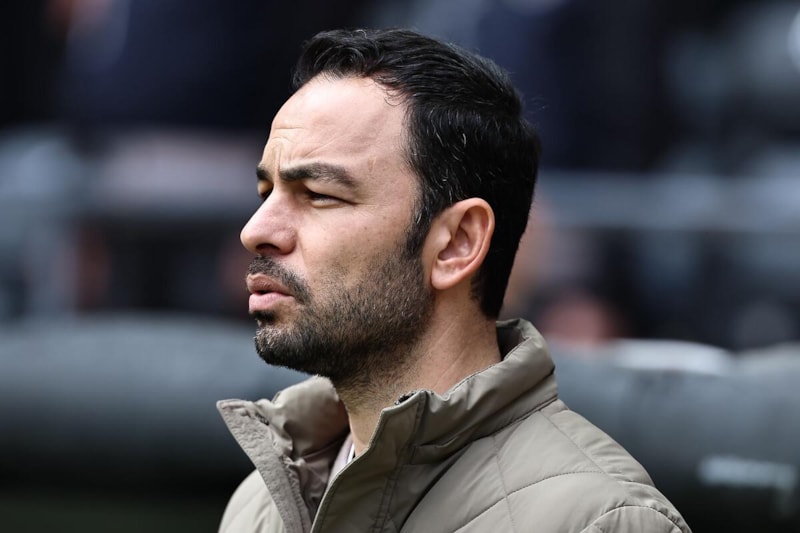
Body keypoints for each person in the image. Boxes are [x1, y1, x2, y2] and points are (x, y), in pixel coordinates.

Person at [217, 28, 691, 532]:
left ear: (457, 243)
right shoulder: (260, 504)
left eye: (318, 194)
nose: (255, 231)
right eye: (266, 191)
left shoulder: (601, 522)